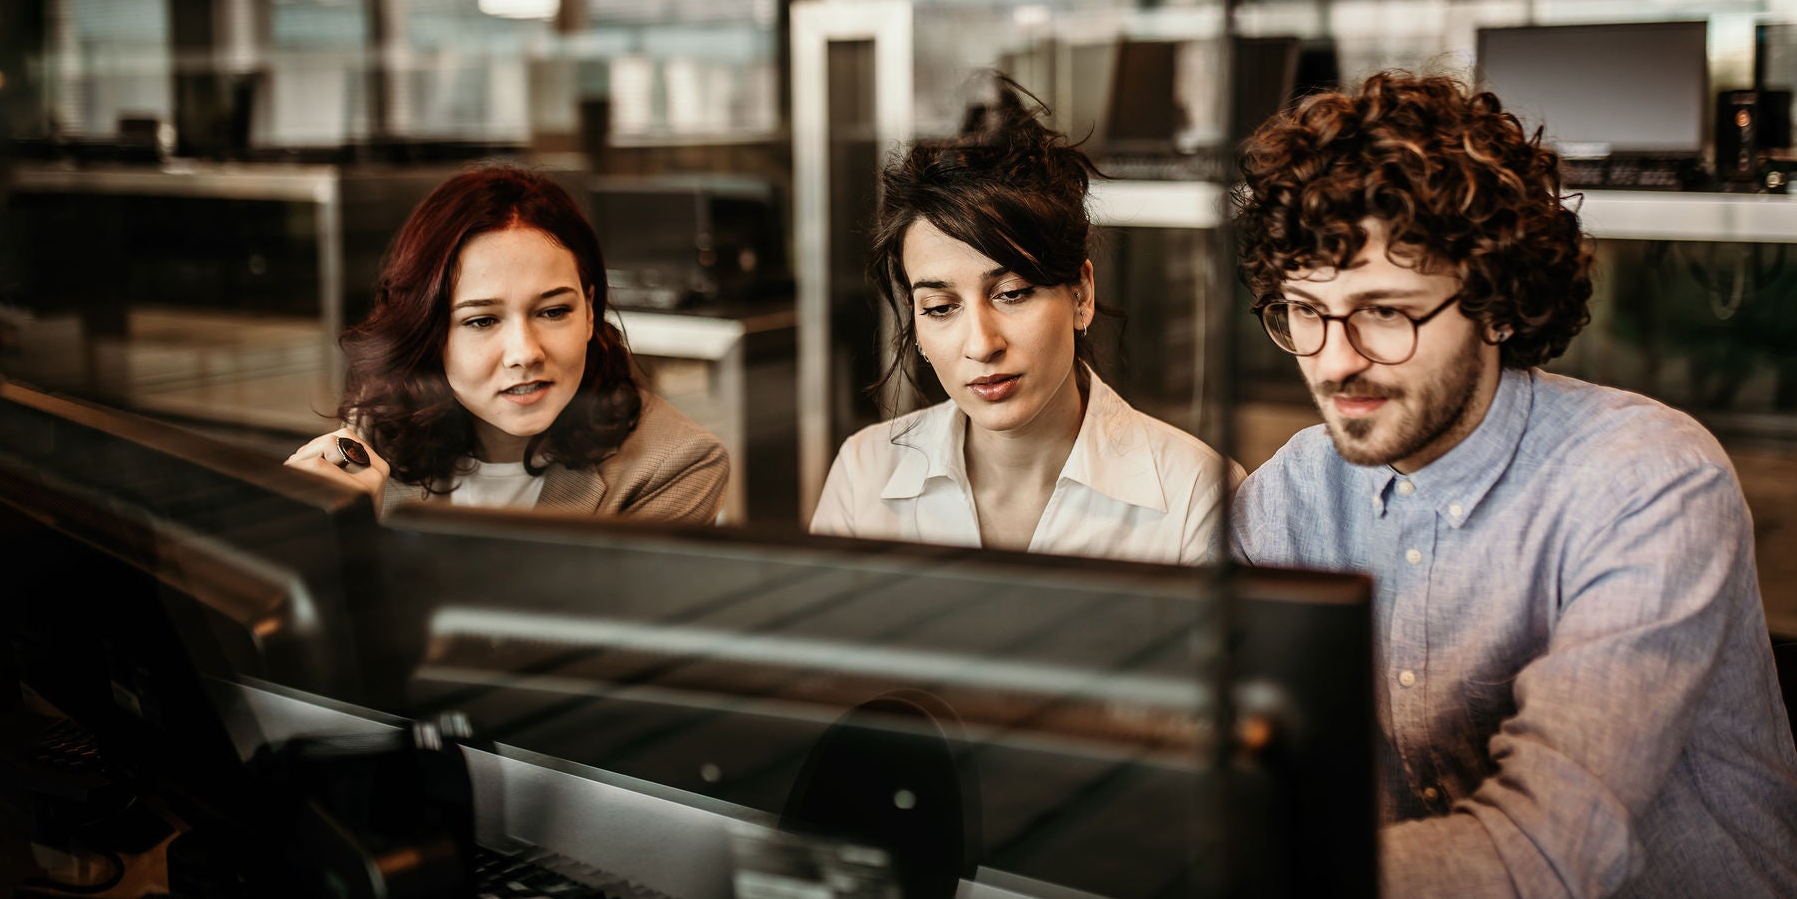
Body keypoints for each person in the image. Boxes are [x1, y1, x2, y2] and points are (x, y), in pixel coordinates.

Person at [1230, 73, 1797, 899]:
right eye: (1305, 312)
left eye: (1386, 314)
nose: (1335, 363)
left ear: (1497, 301)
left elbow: (1538, 858)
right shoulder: (1288, 499)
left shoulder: (1648, 483)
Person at [810, 80, 1239, 562]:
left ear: (1081, 293)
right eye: (940, 308)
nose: (981, 344)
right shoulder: (864, 473)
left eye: (1012, 294)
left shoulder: (1196, 493)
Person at [284, 165, 727, 524]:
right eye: (482, 320)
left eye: (553, 312)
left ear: (590, 312)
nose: (525, 353)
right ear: (430, 333)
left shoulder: (676, 465)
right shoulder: (378, 431)